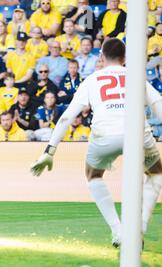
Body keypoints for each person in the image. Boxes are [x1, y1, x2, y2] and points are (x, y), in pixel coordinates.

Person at [31, 38, 162, 247]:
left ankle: (118, 231)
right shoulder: (137, 77)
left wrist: (50, 150)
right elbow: (158, 104)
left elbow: (66, 117)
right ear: (125, 58)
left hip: (105, 135)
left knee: (93, 175)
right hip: (138, 134)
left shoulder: (91, 80)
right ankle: (138, 228)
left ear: (101, 57)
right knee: (156, 173)